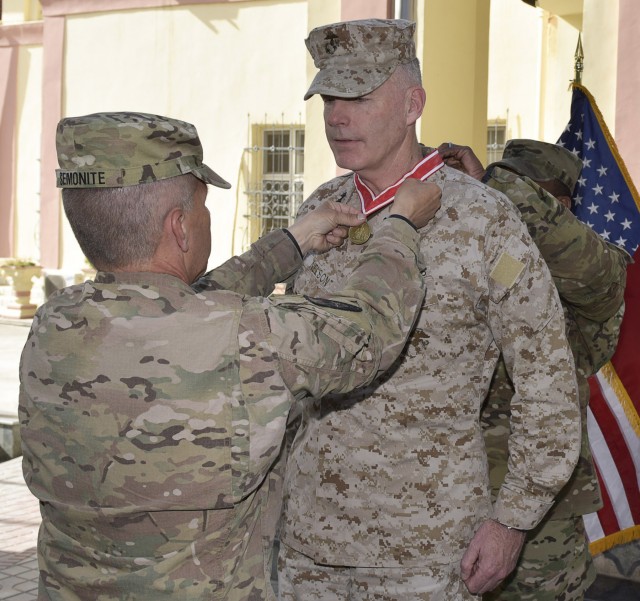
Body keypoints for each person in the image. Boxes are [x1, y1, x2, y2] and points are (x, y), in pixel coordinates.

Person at [18, 111, 443, 601]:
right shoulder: (247, 336)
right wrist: (401, 226)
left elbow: (181, 302)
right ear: (180, 227)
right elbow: (368, 328)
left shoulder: (55, 323)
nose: (205, 216)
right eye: (201, 205)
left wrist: (294, 243)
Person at [278, 19, 581, 600]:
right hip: (309, 546)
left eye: (360, 97)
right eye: (329, 99)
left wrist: (513, 521)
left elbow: (547, 383)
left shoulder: (483, 219)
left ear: (413, 103)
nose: (337, 117)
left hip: (428, 551)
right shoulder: (320, 211)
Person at [438, 139, 629, 600]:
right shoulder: (477, 259)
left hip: (542, 517)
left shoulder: (591, 276)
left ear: (557, 204)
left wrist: (494, 186)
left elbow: (598, 277)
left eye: (525, 189)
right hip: (448, 493)